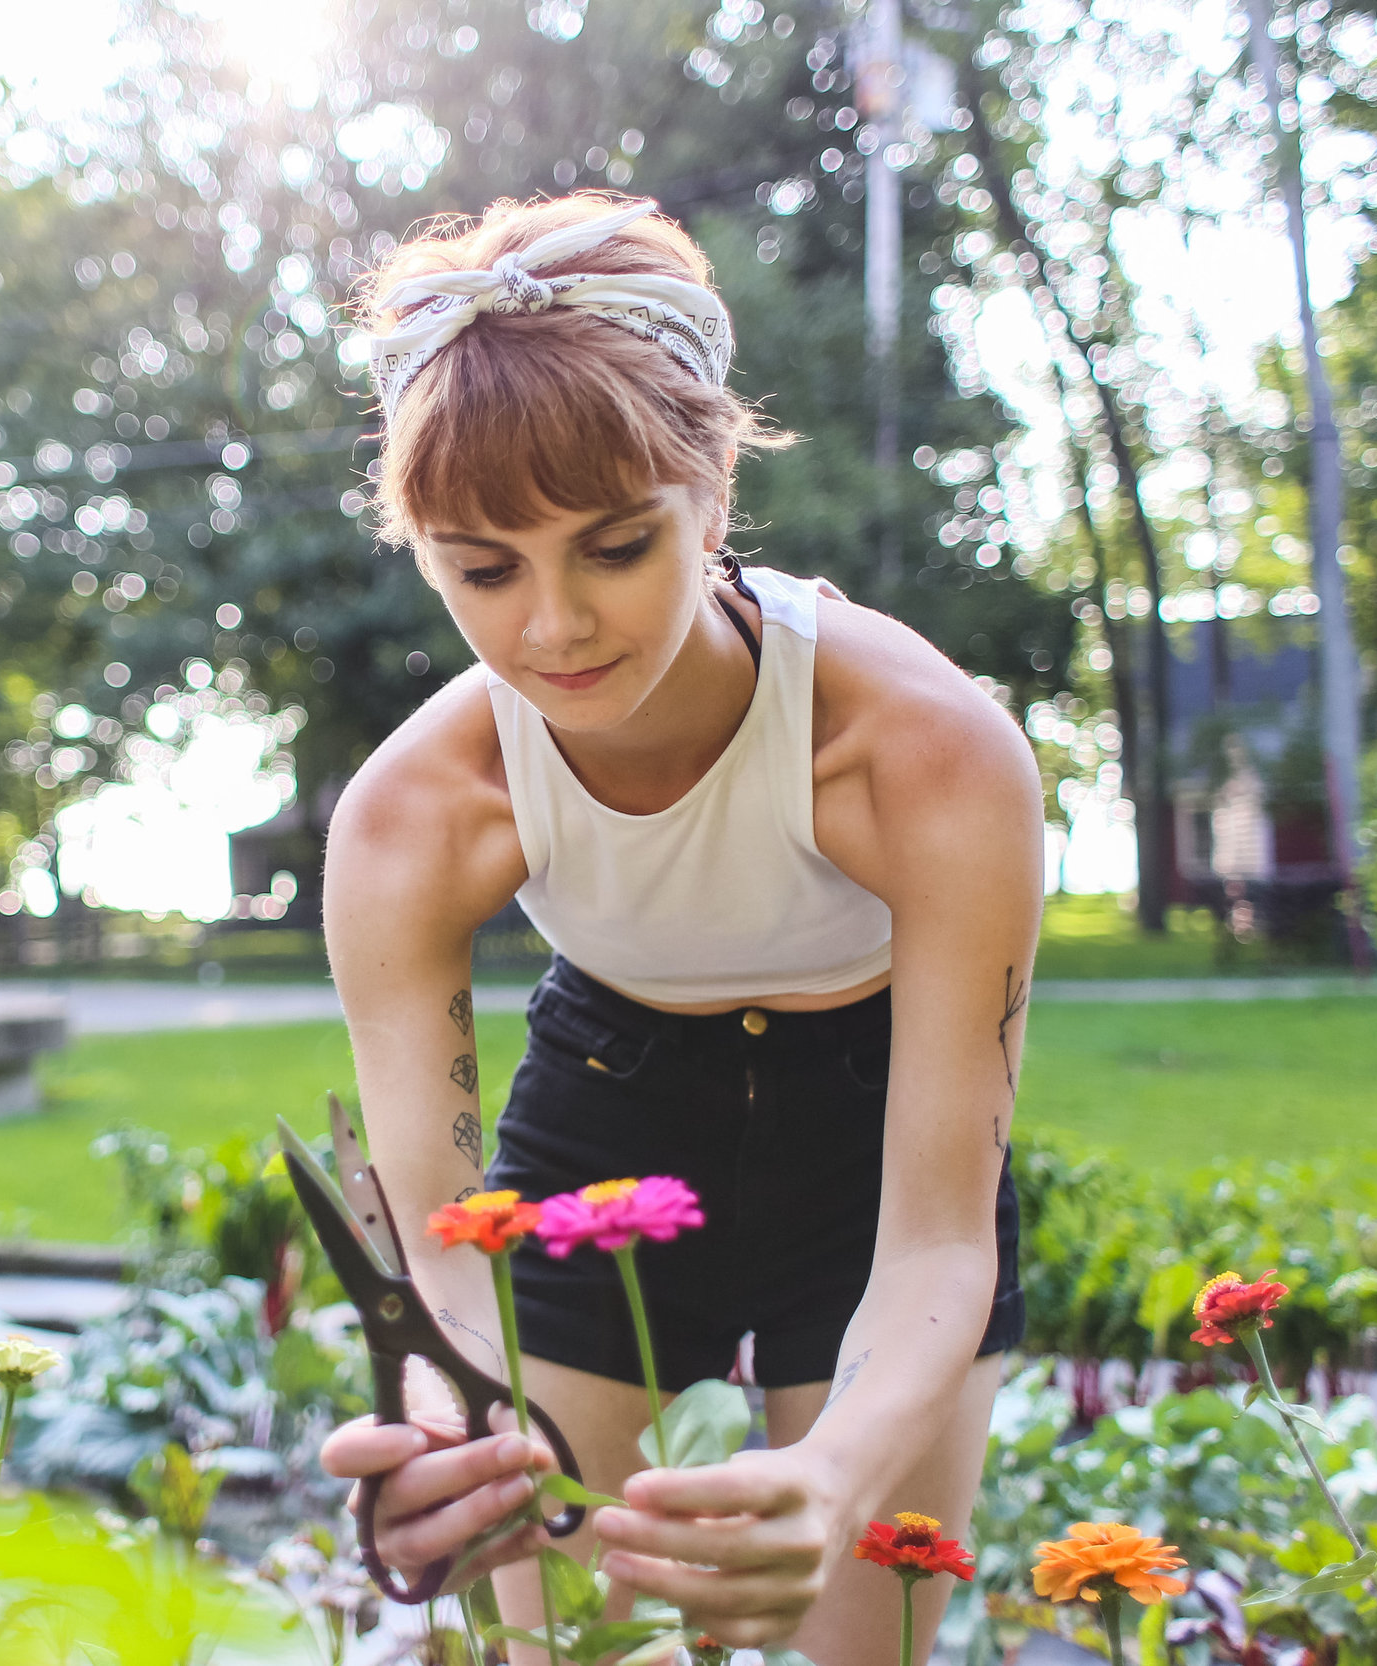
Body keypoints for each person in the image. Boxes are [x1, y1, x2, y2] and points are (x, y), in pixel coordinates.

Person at [315, 193, 1039, 1665]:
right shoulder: (413, 817)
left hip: (873, 1116)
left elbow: (943, 1238)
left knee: (856, 1644)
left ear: (713, 492)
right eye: (485, 567)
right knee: (548, 1639)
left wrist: (831, 1481)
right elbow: (442, 1243)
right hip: (610, 1099)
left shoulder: (928, 753)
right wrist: (445, 1417)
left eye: (617, 545)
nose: (557, 628)